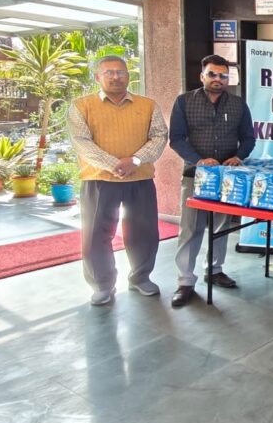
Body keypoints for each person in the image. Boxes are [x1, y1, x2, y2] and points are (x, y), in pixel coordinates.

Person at [69, 55, 168, 306]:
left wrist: (135, 160)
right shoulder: (82, 106)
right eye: (109, 73)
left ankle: (140, 278)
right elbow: (81, 142)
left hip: (140, 179)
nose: (116, 77)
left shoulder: (148, 105)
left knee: (144, 232)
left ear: (128, 75)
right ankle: (102, 285)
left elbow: (159, 136)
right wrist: (115, 165)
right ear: (97, 77)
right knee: (96, 235)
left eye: (121, 72)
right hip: (99, 180)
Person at [168, 54, 256, 307]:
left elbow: (248, 138)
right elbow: (176, 139)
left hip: (226, 177)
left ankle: (215, 270)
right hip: (195, 175)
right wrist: (198, 160)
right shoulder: (184, 102)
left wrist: (238, 157)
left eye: (223, 75)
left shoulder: (238, 105)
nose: (218, 79)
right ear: (202, 76)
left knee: (221, 225)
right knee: (190, 228)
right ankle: (185, 281)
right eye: (212, 74)